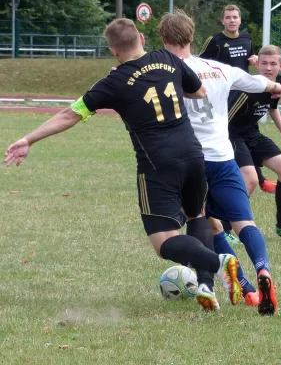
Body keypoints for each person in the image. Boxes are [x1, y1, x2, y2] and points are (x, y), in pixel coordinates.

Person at [4, 18, 243, 312]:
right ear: (141, 38)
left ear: (114, 51)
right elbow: (199, 92)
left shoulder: (114, 81)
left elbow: (70, 115)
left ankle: (218, 262)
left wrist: (29, 139)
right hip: (194, 154)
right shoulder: (168, 58)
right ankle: (206, 285)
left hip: (158, 164)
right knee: (197, 215)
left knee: (164, 242)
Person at [158, 9, 281, 315]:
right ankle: (262, 271)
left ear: (163, 39)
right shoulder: (220, 69)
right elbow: (261, 84)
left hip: (190, 161)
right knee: (243, 222)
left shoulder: (164, 72)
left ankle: (243, 285)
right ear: (192, 35)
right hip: (224, 159)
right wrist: (274, 87)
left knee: (208, 225)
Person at [228, 44, 281, 238]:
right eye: (264, 63)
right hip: (232, 135)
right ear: (257, 65)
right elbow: (225, 116)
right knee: (250, 180)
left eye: (273, 64)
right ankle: (223, 230)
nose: (268, 68)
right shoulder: (247, 87)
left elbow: (272, 106)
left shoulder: (280, 83)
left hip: (253, 135)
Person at [200, 4, 276, 197]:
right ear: (222, 20)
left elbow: (249, 60)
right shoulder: (215, 41)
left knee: (249, 129)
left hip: (244, 93)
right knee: (229, 131)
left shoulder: (247, 38)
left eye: (235, 17)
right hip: (223, 94)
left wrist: (255, 59)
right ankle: (233, 173)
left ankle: (259, 177)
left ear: (240, 20)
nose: (232, 20)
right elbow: (200, 61)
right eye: (228, 17)